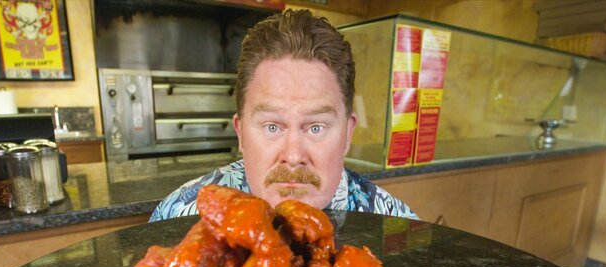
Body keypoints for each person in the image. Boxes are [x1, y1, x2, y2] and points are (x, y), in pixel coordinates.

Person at [150, 9, 418, 222]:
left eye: (316, 128)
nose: (293, 156)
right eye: (272, 127)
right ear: (241, 133)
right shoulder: (178, 215)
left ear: (348, 134)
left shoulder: (395, 228)